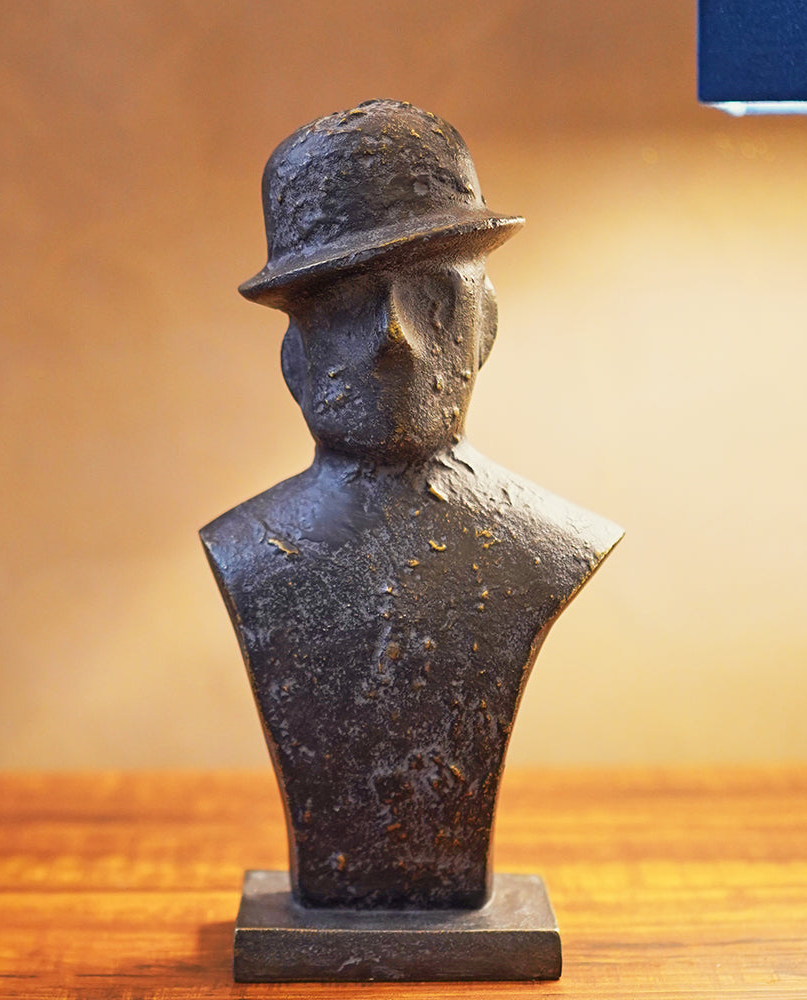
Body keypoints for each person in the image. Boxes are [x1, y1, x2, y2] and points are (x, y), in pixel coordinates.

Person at [201, 100, 622, 910]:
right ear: (295, 357)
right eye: (349, 304)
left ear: (486, 328)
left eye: (432, 294)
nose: (395, 338)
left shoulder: (548, 546)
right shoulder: (249, 553)